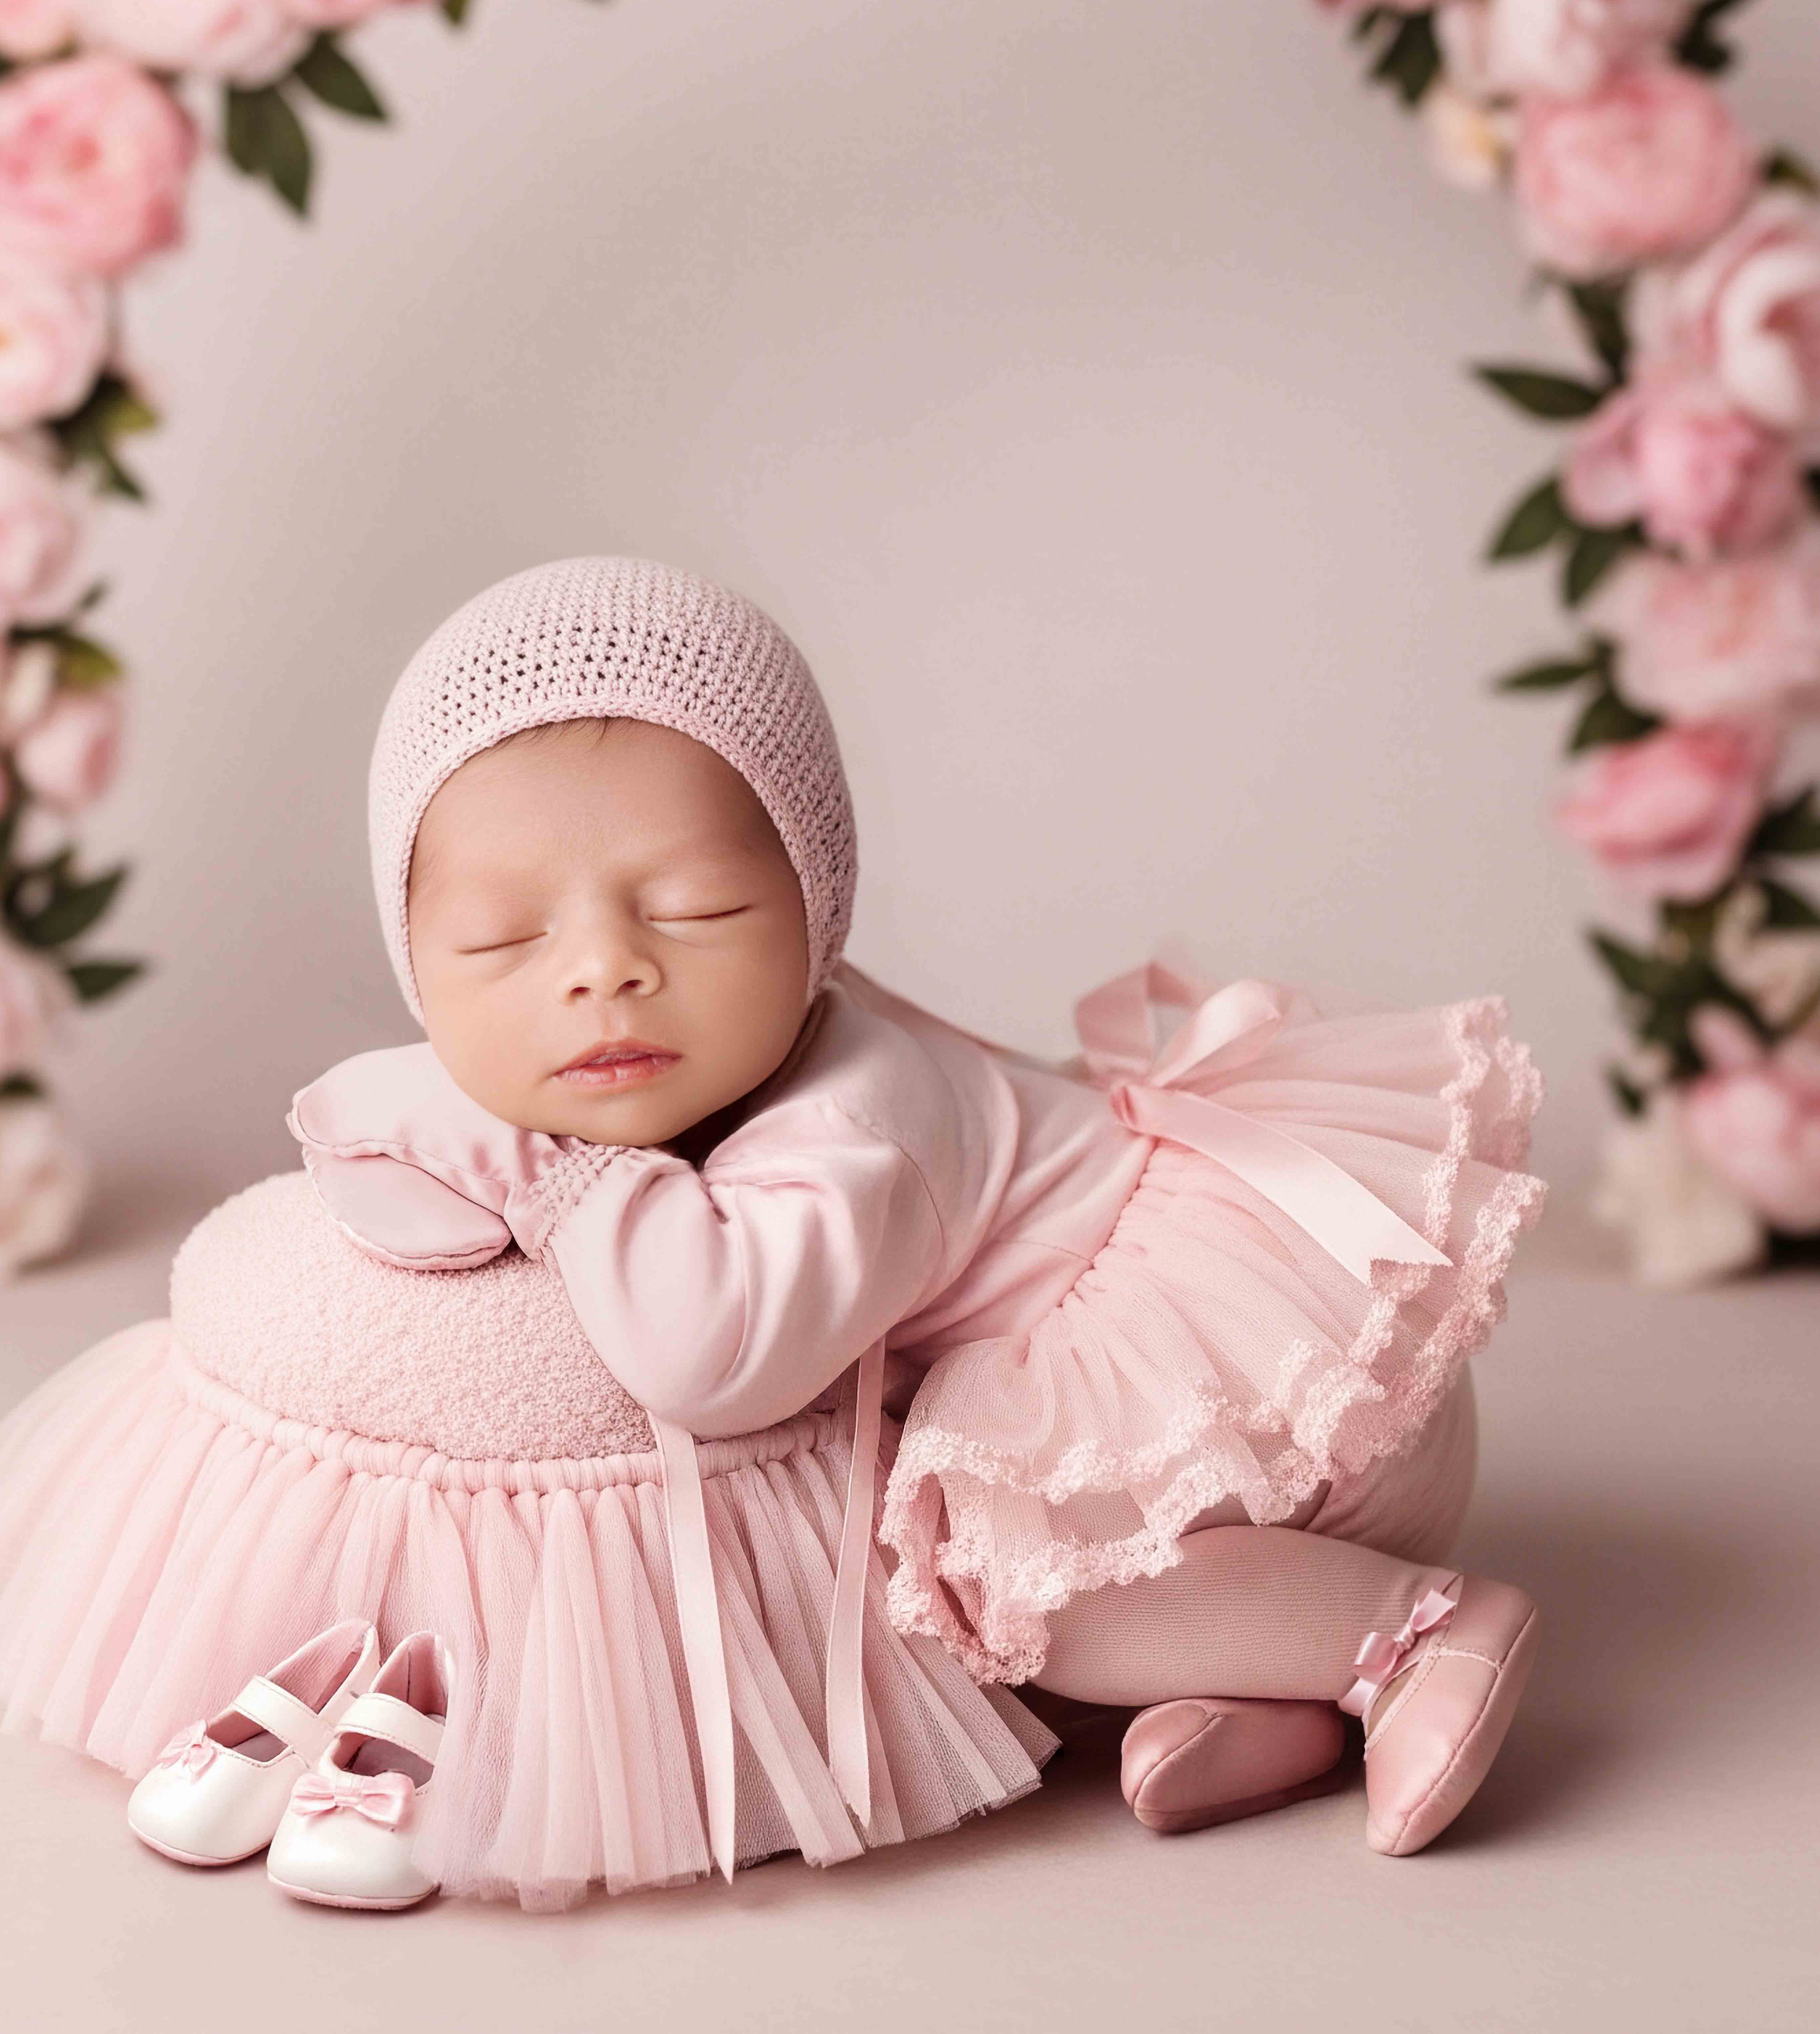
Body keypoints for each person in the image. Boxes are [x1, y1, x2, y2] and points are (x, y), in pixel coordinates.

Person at [295, 553, 1547, 1862]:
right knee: (972, 1615)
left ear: (814, 911)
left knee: (985, 1588)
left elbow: (709, 1358)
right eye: (503, 941)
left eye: (696, 909)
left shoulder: (855, 1121)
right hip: (1214, 1421)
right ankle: (1257, 1690)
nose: (606, 968)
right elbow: (389, 1188)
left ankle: (1410, 1625)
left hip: (1288, 1420)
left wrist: (548, 1167)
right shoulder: (713, 1057)